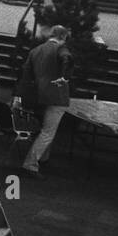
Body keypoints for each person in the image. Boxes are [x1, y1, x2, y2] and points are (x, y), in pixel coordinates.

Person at [17, 25, 73, 179]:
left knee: (44, 129)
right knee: (48, 131)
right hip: (57, 96)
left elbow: (26, 74)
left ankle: (43, 158)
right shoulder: (61, 49)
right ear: (63, 37)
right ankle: (30, 164)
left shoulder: (36, 50)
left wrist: (20, 95)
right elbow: (66, 58)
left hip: (39, 96)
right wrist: (64, 76)